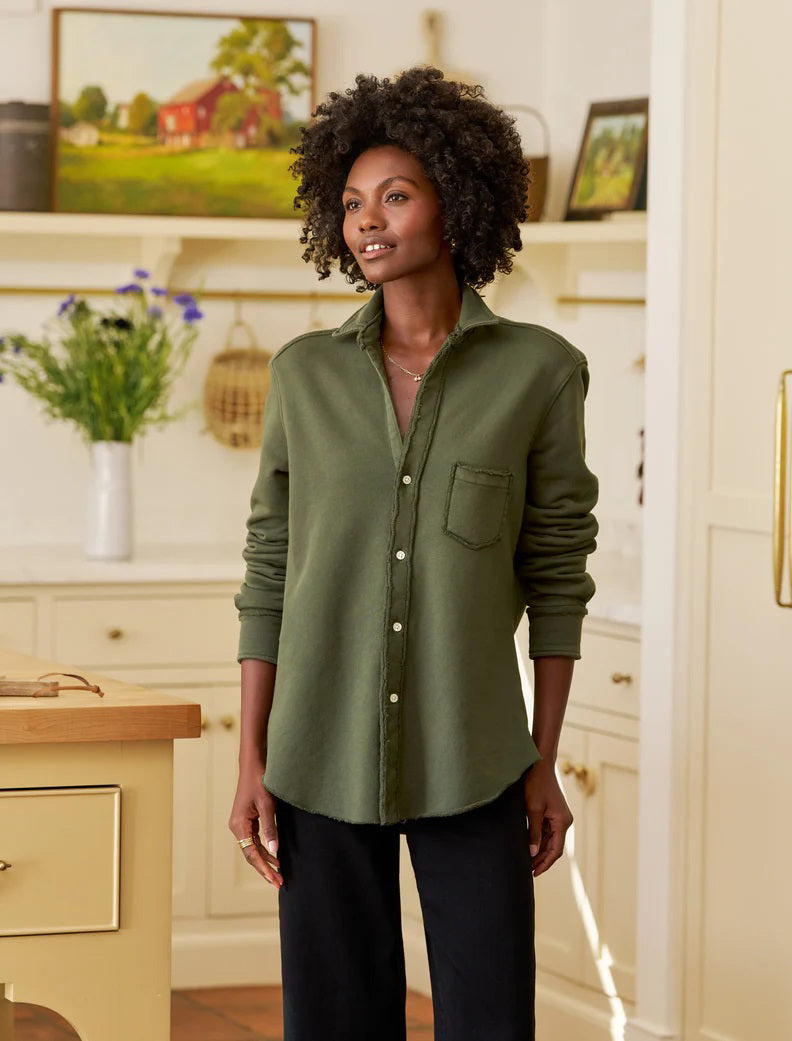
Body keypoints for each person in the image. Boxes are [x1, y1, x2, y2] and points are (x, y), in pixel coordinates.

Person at [229, 65, 599, 1041]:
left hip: (472, 756)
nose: (367, 220)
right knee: (335, 1021)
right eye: (351, 203)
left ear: (456, 197)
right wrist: (249, 760)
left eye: (395, 194)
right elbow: (269, 568)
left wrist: (543, 761)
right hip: (315, 754)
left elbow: (557, 572)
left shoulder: (538, 372)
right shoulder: (303, 376)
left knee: (486, 1019)